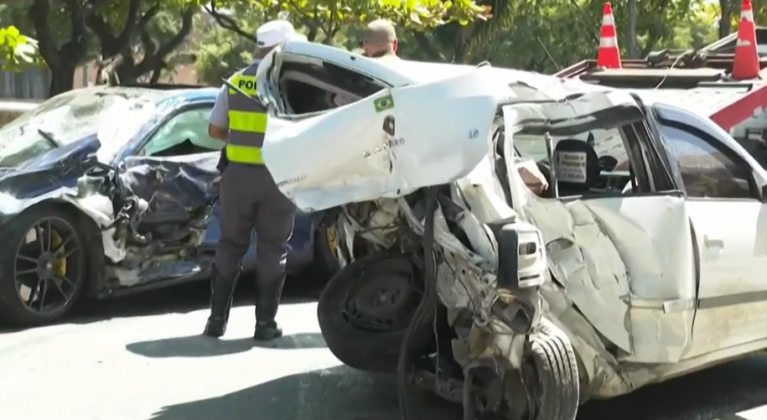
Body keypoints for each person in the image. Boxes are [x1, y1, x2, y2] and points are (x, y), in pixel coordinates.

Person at [204, 20, 301, 341]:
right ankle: (265, 325)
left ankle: (216, 322)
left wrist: (243, 137)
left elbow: (214, 131)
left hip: (237, 178)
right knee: (273, 248)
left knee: (230, 244)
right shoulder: (290, 84)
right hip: (278, 177)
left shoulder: (234, 82)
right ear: (279, 50)